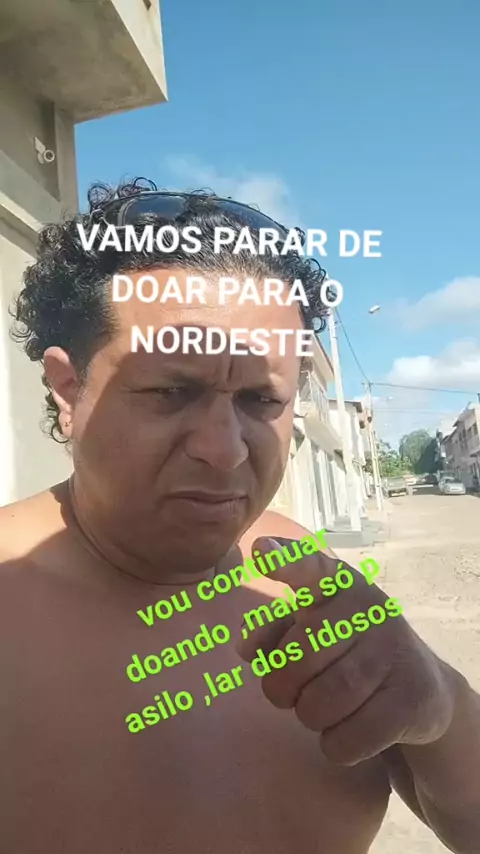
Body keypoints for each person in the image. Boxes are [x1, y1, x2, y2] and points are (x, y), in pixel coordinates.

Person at [1, 178, 479, 854]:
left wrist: (445, 709)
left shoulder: (299, 573)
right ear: (69, 389)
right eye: (171, 391)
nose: (224, 451)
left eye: (260, 400)